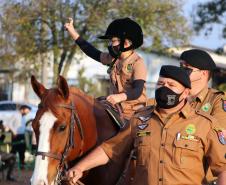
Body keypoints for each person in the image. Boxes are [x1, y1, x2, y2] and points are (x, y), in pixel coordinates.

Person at [66, 65, 226, 185]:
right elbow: (110, 150)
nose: (164, 88)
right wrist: (80, 167)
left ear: (185, 93)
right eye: (160, 83)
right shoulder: (139, 119)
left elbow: (223, 168)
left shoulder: (205, 125)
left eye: (171, 85)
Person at [65, 17, 147, 120]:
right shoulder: (113, 59)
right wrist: (72, 32)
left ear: (125, 43)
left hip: (135, 113)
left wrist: (119, 97)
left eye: (112, 41)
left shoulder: (138, 63)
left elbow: (137, 90)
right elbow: (91, 51)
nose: (110, 45)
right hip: (116, 109)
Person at [179, 49, 226, 183]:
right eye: (180, 67)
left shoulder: (217, 100)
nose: (181, 71)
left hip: (200, 175)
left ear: (203, 73)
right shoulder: (175, 97)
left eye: (187, 68)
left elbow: (220, 133)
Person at [11, 104, 31, 169]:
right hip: (15, 135)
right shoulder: (15, 115)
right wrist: (14, 132)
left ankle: (22, 165)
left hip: (22, 135)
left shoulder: (24, 117)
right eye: (27, 111)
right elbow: (10, 124)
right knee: (14, 150)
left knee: (22, 151)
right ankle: (10, 164)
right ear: (23, 109)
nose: (27, 113)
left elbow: (23, 127)